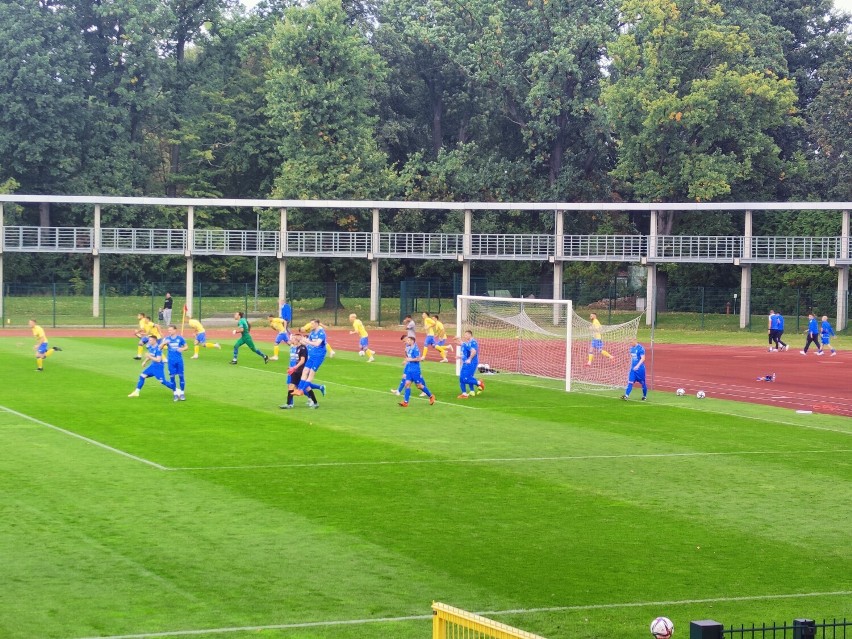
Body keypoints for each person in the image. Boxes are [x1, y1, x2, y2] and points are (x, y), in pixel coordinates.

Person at [293, 319, 327, 407]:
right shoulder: (312, 333)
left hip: (319, 356)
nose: (311, 325)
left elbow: (317, 344)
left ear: (317, 324)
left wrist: (307, 341)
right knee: (305, 371)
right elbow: (308, 344)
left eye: (312, 324)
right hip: (312, 355)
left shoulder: (321, 333)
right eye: (310, 323)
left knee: (311, 374)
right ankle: (300, 389)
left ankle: (301, 390)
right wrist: (300, 340)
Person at [397, 335, 435, 407]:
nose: (407, 342)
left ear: (412, 341)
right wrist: (406, 360)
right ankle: (405, 402)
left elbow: (418, 359)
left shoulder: (415, 349)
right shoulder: (409, 348)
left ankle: (431, 396)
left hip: (415, 370)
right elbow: (408, 357)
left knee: (419, 386)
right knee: (407, 384)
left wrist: (410, 359)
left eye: (408, 340)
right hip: (409, 370)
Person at [281, 334, 317, 409]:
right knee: (291, 386)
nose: (291, 340)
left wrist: (294, 367)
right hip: (296, 371)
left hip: (302, 371)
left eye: (293, 339)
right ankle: (289, 404)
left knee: (307, 388)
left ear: (297, 340)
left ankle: (315, 402)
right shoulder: (297, 348)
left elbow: (302, 361)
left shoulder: (303, 348)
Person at [162, 324, 188, 401]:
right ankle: (175, 394)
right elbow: (160, 347)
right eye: (168, 330)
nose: (169, 331)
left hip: (179, 360)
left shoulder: (180, 338)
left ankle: (182, 393)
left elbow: (186, 347)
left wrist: (182, 349)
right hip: (171, 361)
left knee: (181, 376)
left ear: (175, 330)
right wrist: (164, 343)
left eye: (170, 330)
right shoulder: (166, 338)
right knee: (172, 377)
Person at [456, 330, 485, 399]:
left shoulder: (473, 342)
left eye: (466, 335)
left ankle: (479, 383)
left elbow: (474, 351)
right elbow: (465, 352)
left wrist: (470, 359)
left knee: (467, 378)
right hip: (466, 363)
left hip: (472, 362)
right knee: (462, 379)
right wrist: (460, 357)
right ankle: (466, 393)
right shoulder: (467, 343)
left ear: (470, 335)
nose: (465, 336)